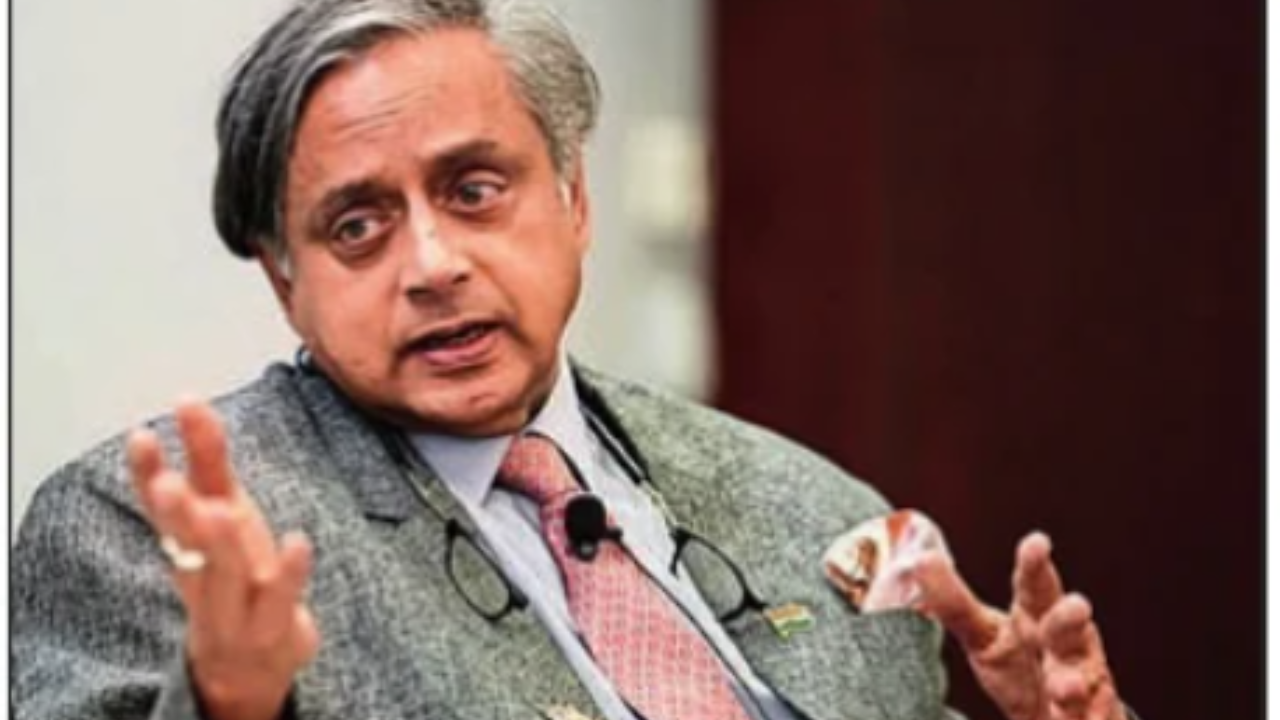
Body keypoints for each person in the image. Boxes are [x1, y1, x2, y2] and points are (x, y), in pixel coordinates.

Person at [12, 1, 1135, 719]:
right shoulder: (145, 532)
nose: (433, 264)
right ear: (282, 280)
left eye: (474, 190)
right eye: (357, 226)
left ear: (573, 200)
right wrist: (224, 704)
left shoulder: (813, 512)